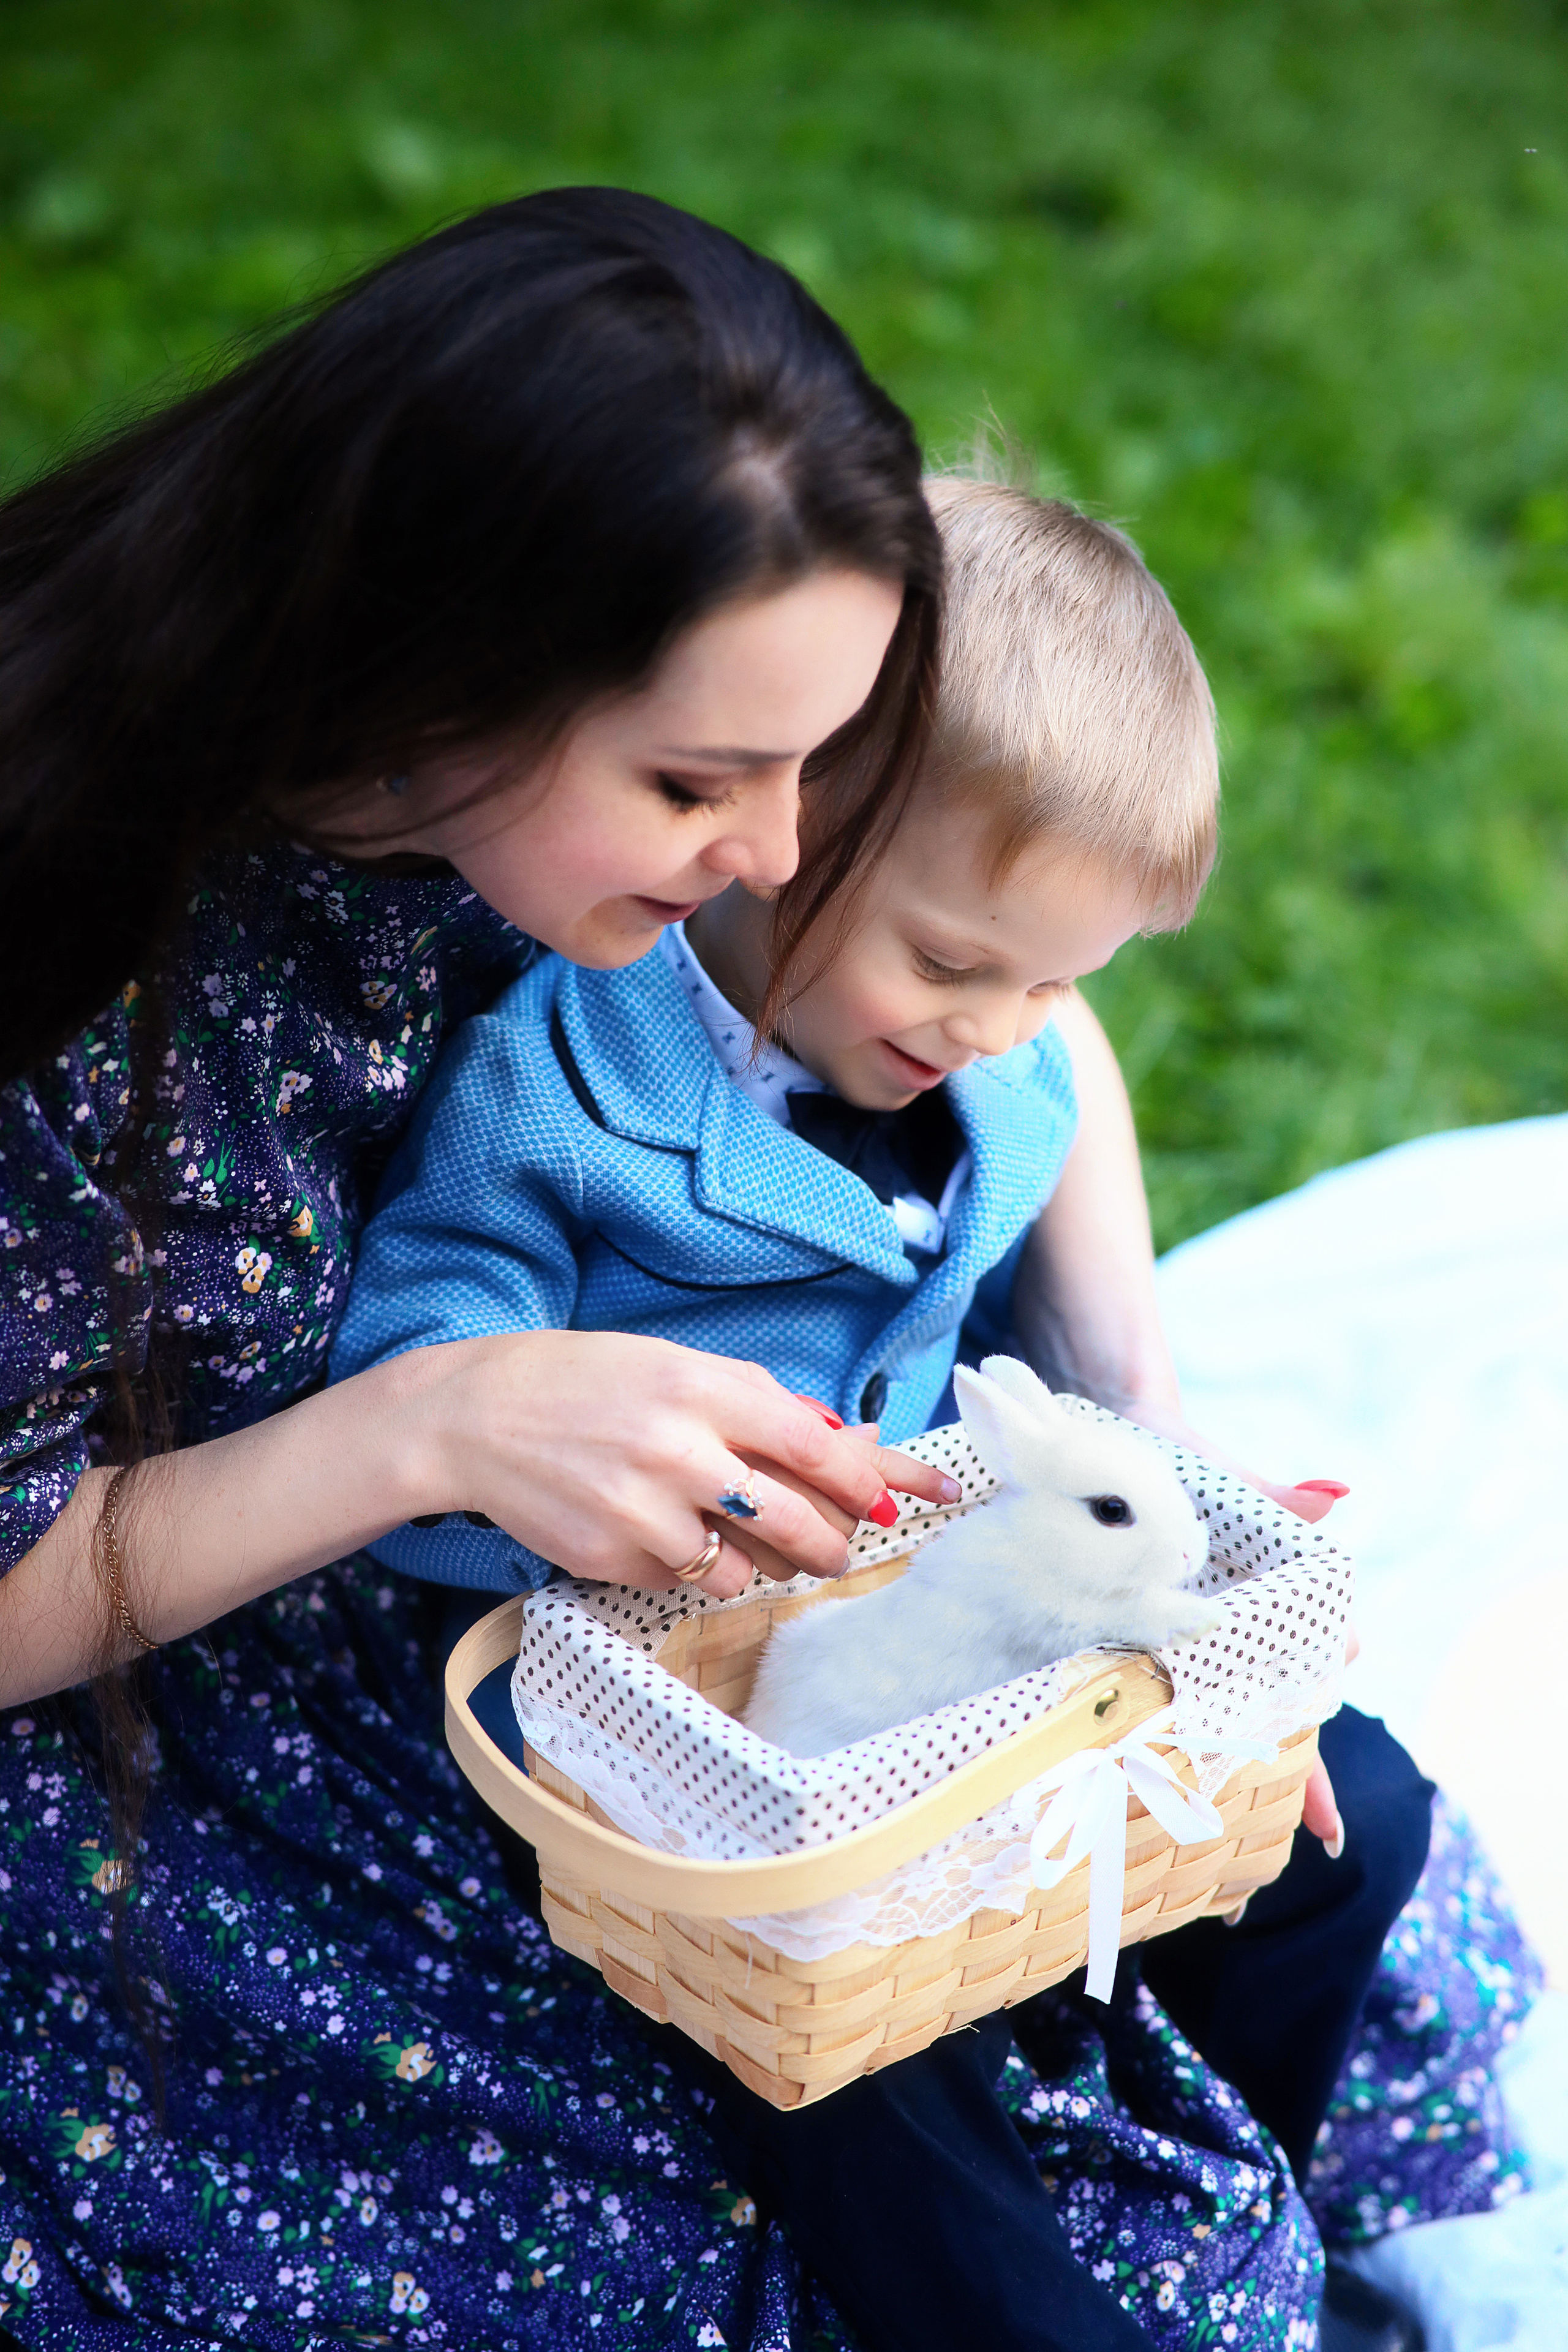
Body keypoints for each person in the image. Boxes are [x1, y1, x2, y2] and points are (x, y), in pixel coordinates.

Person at [334, 482, 1525, 2351]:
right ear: (778, 834)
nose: (997, 1025)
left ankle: (1206, 2154)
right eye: (956, 965)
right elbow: (415, 1388)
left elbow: (1022, 1268)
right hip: (672, 1712)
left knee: (1342, 1816)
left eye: (1056, 983)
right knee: (865, 2058)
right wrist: (591, 1474)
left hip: (929, 1634)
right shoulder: (560, 1085)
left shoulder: (1000, 1063)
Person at [0, 187, 967, 2351]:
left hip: (377, 1612)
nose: (785, 854)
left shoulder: (459, 823)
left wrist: (1135, 1402)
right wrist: (432, 1421)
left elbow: (1028, 994)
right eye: (702, 779)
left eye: (813, 758)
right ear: (429, 670)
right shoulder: (64, 974)